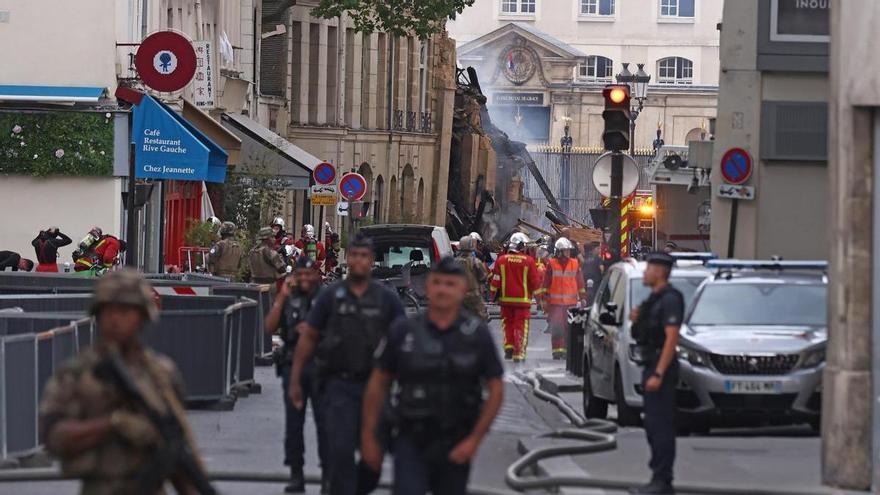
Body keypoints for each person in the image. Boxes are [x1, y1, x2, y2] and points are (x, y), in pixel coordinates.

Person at [38, 270, 211, 494]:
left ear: (142, 315)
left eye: (125, 310)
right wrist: (114, 424)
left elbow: (175, 452)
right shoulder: (77, 373)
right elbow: (53, 438)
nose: (115, 319)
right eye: (108, 310)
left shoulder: (162, 374)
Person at [361, 257, 504, 495]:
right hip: (410, 438)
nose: (443, 290)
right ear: (427, 287)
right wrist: (369, 436)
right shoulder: (403, 330)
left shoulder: (476, 335)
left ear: (462, 290)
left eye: (450, 284)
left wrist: (474, 440)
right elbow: (378, 384)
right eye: (437, 283)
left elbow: (496, 389)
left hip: (455, 441)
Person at [289, 234, 405, 495]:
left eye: (364, 256)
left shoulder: (387, 299)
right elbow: (309, 337)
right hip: (339, 387)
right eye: (354, 255)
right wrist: (296, 379)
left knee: (372, 459)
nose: (359, 261)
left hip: (376, 389)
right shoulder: (332, 295)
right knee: (339, 452)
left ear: (372, 261)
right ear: (347, 258)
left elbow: (403, 341)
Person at [265, 257, 328, 493]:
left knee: (325, 423)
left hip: (321, 365)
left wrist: (314, 331)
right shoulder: (289, 299)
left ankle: (328, 475)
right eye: (300, 274)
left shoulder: (326, 299)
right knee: (294, 424)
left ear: (316, 275)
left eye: (308, 274)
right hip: (293, 365)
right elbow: (269, 327)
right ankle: (296, 473)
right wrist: (281, 297)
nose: (304, 278)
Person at [628, 252, 684, 495]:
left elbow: (672, 339)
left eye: (649, 268)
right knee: (652, 425)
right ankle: (657, 478)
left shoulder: (670, 299)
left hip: (661, 368)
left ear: (660, 272)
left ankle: (663, 481)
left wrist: (659, 373)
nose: (645, 272)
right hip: (651, 364)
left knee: (660, 425)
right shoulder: (655, 298)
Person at [490, 232, 542, 362]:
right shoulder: (528, 261)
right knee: (520, 326)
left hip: (505, 301)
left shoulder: (501, 260)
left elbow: (495, 281)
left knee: (507, 324)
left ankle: (509, 347)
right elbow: (535, 282)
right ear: (520, 246)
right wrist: (540, 300)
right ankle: (518, 353)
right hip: (522, 301)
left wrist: (493, 297)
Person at [539, 237, 587, 359]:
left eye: (569, 250)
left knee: (568, 328)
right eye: (566, 250)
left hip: (570, 303)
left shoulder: (575, 263)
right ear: (559, 251)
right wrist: (544, 299)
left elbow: (580, 283)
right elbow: (546, 283)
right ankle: (557, 351)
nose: (568, 252)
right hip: (555, 303)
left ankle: (566, 351)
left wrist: (582, 298)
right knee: (557, 327)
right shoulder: (552, 264)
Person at [455, 235, 488, 320]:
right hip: (474, 295)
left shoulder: (454, 262)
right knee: (482, 317)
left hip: (458, 294)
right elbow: (483, 277)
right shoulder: (476, 262)